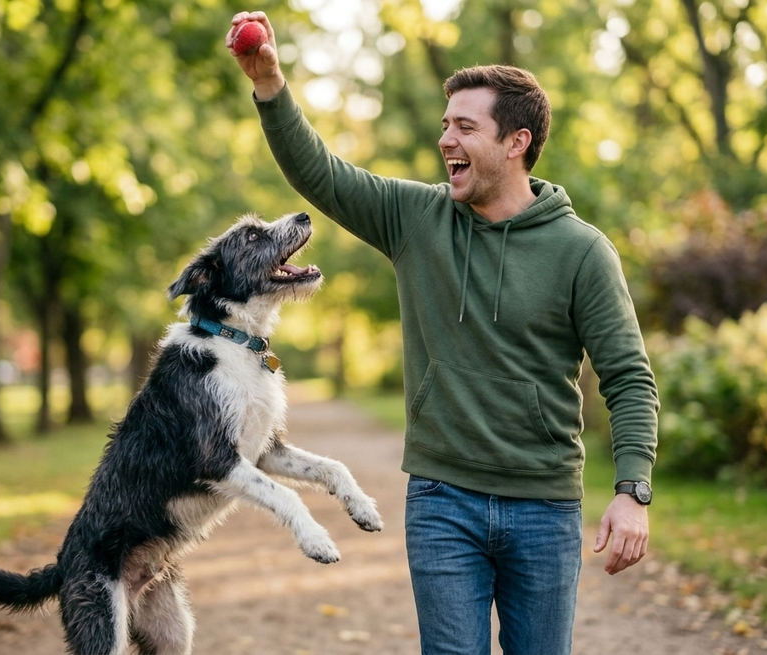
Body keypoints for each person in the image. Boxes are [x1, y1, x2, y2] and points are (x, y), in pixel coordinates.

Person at [227, 12, 659, 655]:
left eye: (464, 126)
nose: (446, 140)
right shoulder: (416, 218)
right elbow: (319, 172)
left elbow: (629, 378)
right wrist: (270, 86)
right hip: (441, 499)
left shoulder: (582, 252)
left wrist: (632, 491)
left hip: (543, 506)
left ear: (516, 142)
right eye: (443, 125)